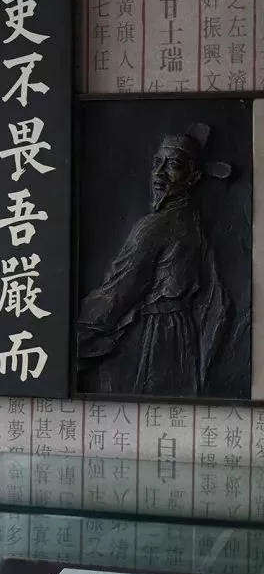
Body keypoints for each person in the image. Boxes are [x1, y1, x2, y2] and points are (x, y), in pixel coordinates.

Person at [78, 124, 231, 396]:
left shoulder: (156, 226)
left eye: (173, 165)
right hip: (182, 335)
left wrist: (71, 332)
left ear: (193, 177)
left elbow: (117, 294)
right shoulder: (191, 218)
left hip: (155, 336)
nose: (159, 173)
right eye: (156, 163)